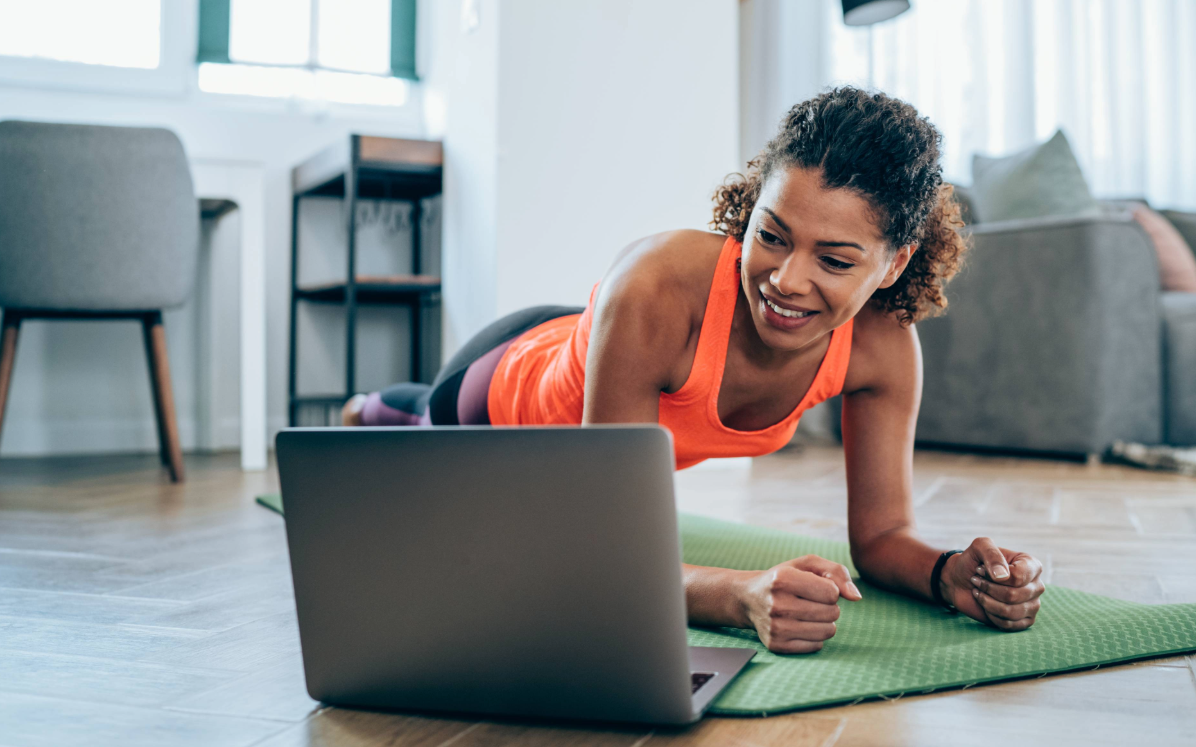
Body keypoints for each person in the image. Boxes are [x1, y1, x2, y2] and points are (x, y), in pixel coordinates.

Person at [342, 87, 1045, 653]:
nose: (787, 280)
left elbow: (883, 536)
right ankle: (369, 409)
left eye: (834, 260)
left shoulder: (884, 347)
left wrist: (948, 570)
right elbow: (600, 551)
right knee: (399, 432)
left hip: (597, 345)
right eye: (771, 235)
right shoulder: (655, 286)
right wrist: (739, 595)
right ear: (751, 204)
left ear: (894, 262)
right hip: (497, 394)